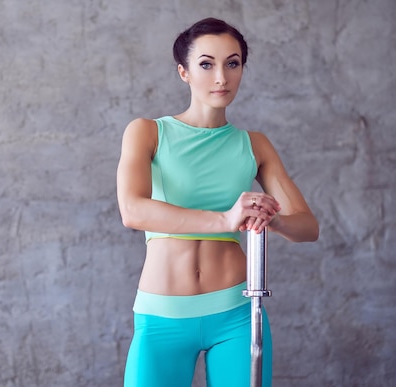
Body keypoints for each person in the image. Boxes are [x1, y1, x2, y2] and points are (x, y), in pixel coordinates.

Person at [116, 17, 319, 386]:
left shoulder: (254, 144)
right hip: (163, 315)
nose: (221, 78)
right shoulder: (148, 132)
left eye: (233, 63)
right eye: (206, 64)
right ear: (184, 72)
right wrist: (226, 219)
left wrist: (272, 218)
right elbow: (133, 210)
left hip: (236, 314)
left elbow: (308, 226)